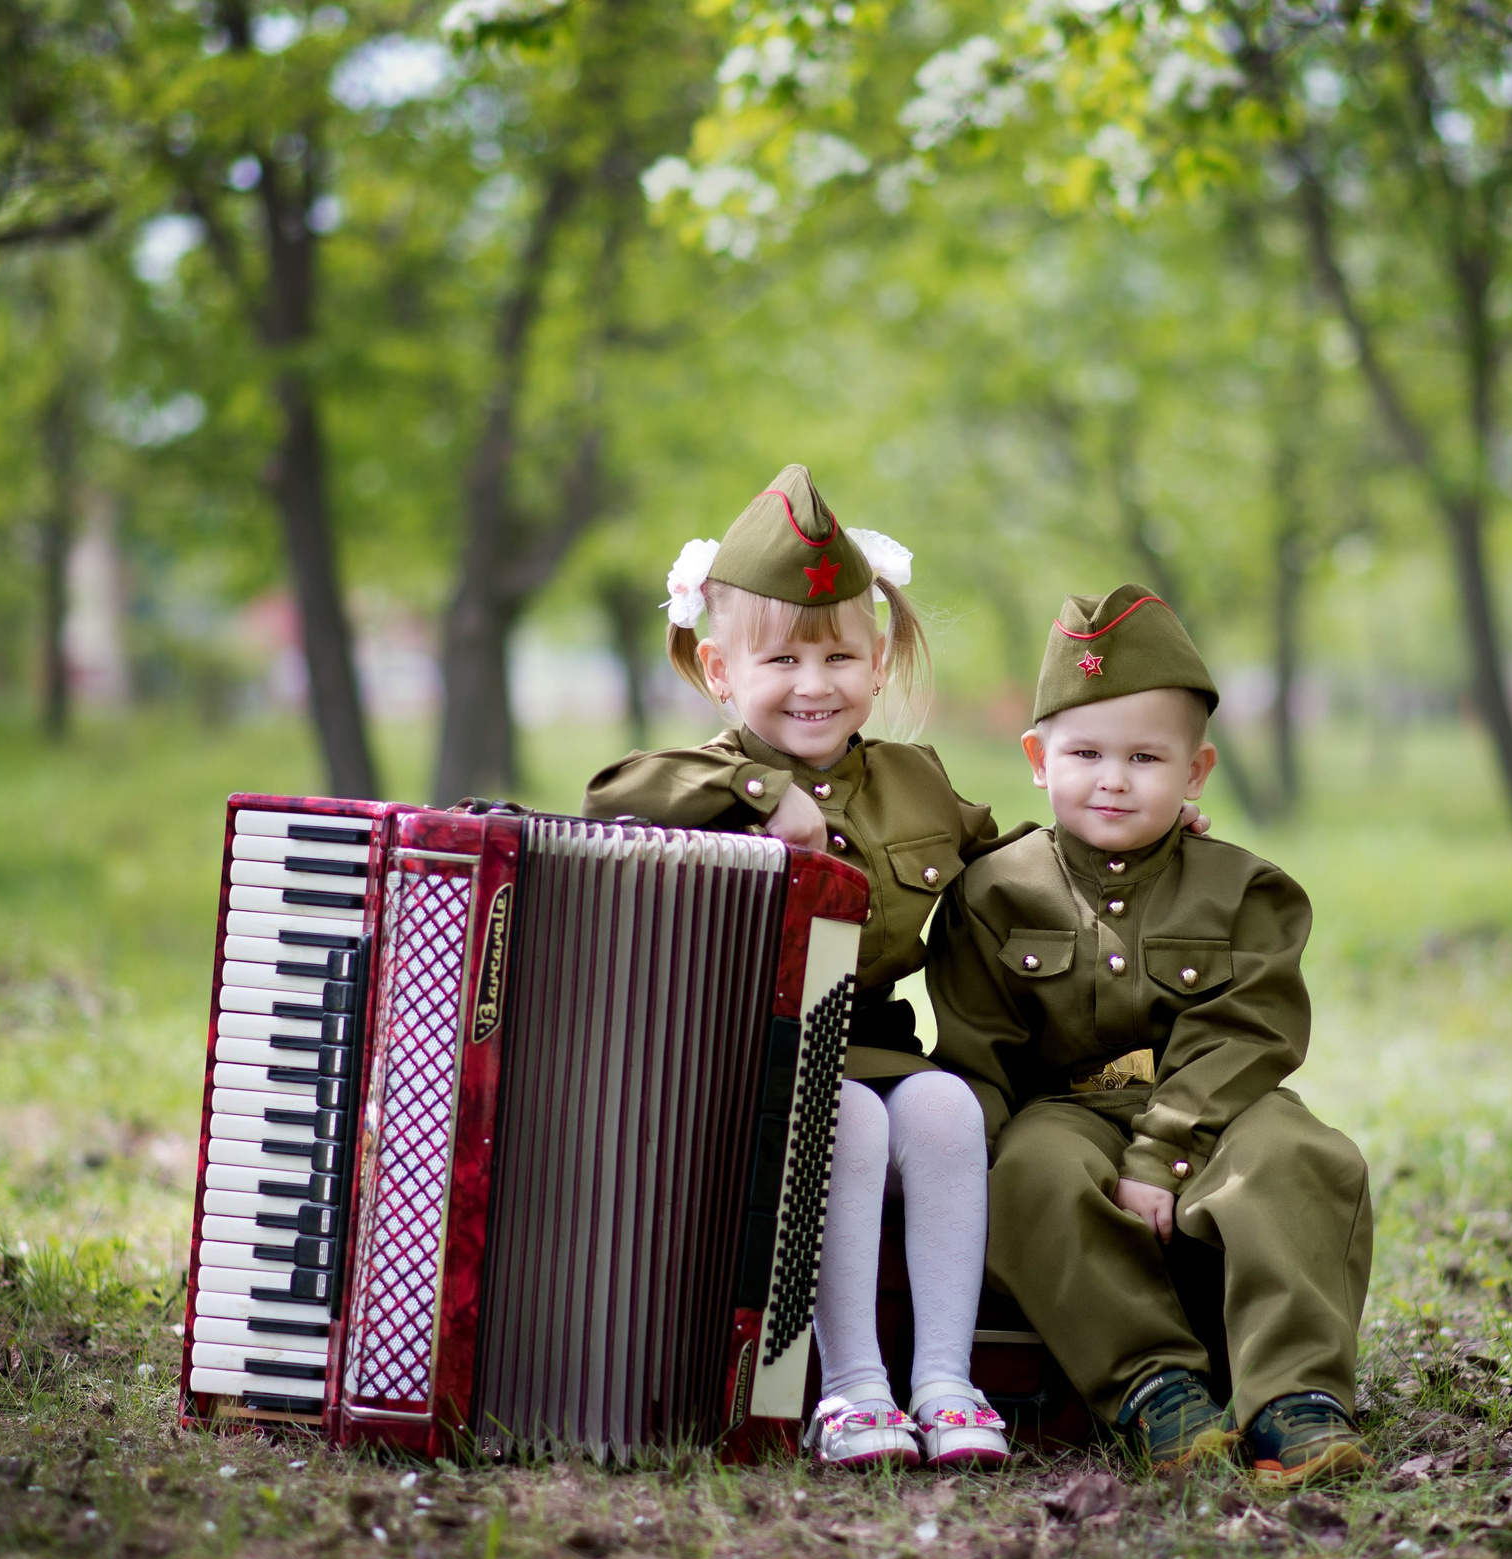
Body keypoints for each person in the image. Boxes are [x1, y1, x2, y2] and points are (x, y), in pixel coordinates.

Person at [580, 464, 1019, 1470]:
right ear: (721, 670)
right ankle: (854, 1387)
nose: (814, 684)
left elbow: (1010, 860)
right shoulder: (700, 779)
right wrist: (756, 786)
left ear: (879, 659)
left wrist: (1139, 838)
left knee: (944, 1106)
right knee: (849, 1117)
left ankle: (946, 1383)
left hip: (873, 1042)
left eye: (839, 655)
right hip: (752, 1067)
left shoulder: (915, 781)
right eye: (781, 658)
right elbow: (612, 794)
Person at [926, 583, 1375, 1488]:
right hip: (1065, 1111)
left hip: (1216, 1107)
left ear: (1196, 771)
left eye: (1146, 756)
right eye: (1085, 751)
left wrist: (1163, 1150)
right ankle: (1155, 1387)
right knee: (1027, 1171)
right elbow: (978, 1053)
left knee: (1298, 1153)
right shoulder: (992, 892)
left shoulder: (1244, 890)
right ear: (1037, 757)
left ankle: (1295, 1398)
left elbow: (1247, 1030)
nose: (1113, 777)